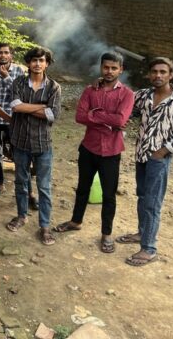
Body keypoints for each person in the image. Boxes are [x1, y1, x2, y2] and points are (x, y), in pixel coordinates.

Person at [53, 52, 135, 254]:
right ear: (101, 67)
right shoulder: (90, 90)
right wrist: (108, 120)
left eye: (114, 68)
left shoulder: (127, 94)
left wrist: (95, 114)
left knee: (109, 195)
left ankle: (106, 234)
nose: (109, 71)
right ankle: (75, 221)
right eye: (106, 67)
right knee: (82, 188)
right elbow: (80, 117)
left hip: (111, 152)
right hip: (89, 148)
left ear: (121, 70)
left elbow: (120, 120)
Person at [117, 57, 173, 266]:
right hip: (141, 155)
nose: (158, 75)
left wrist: (163, 151)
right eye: (154, 71)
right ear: (149, 74)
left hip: (159, 160)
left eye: (163, 72)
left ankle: (149, 248)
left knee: (152, 203)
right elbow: (124, 103)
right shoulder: (144, 95)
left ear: (171, 75)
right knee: (142, 197)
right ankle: (142, 233)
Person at [6, 47, 61, 246]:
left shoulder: (54, 87)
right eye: (34, 60)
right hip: (20, 141)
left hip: (43, 143)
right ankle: (22, 216)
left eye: (42, 60)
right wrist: (42, 106)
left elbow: (53, 114)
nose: (37, 64)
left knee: (44, 186)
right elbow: (15, 106)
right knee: (21, 181)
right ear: (28, 63)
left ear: (47, 63)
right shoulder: (18, 82)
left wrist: (25, 107)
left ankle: (44, 226)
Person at [0, 42, 25, 198]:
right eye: (0, 52)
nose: (3, 55)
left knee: (18, 152)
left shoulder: (19, 71)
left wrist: (7, 77)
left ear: (11, 55)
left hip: (13, 119)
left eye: (6, 52)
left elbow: (22, 94)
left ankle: (23, 185)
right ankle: (0, 184)